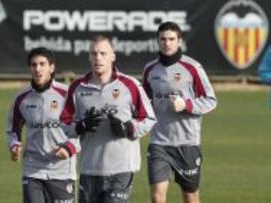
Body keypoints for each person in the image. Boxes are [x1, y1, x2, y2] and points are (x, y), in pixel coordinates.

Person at [60, 35, 156, 203]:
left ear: (113, 56)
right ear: (89, 56)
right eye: (94, 53)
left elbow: (148, 118)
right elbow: (64, 123)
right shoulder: (77, 87)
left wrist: (128, 129)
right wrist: (81, 126)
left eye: (103, 53)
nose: (98, 58)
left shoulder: (130, 85)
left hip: (121, 169)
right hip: (89, 170)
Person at [142, 21, 217, 203]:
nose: (167, 43)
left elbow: (211, 101)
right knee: (157, 197)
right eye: (163, 39)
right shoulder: (150, 70)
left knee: (190, 197)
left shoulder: (193, 68)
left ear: (179, 41)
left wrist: (187, 105)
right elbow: (143, 103)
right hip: (159, 142)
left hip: (187, 143)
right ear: (157, 41)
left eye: (171, 39)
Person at [6, 47, 79, 203]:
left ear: (51, 68)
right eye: (33, 65)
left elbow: (81, 129)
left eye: (42, 64)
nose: (37, 69)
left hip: (62, 171)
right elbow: (13, 130)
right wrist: (14, 146)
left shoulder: (67, 94)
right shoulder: (21, 98)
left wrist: (69, 148)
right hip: (33, 171)